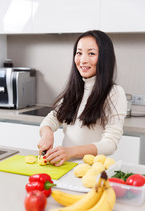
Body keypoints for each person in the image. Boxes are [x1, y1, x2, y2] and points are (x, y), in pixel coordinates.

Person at [37, 30, 127, 166]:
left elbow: (110, 144)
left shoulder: (114, 93)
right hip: (65, 166)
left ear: (105, 58)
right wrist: (47, 134)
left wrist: (70, 152)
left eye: (91, 53)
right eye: (79, 53)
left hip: (92, 170)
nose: (83, 60)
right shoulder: (74, 90)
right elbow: (51, 120)